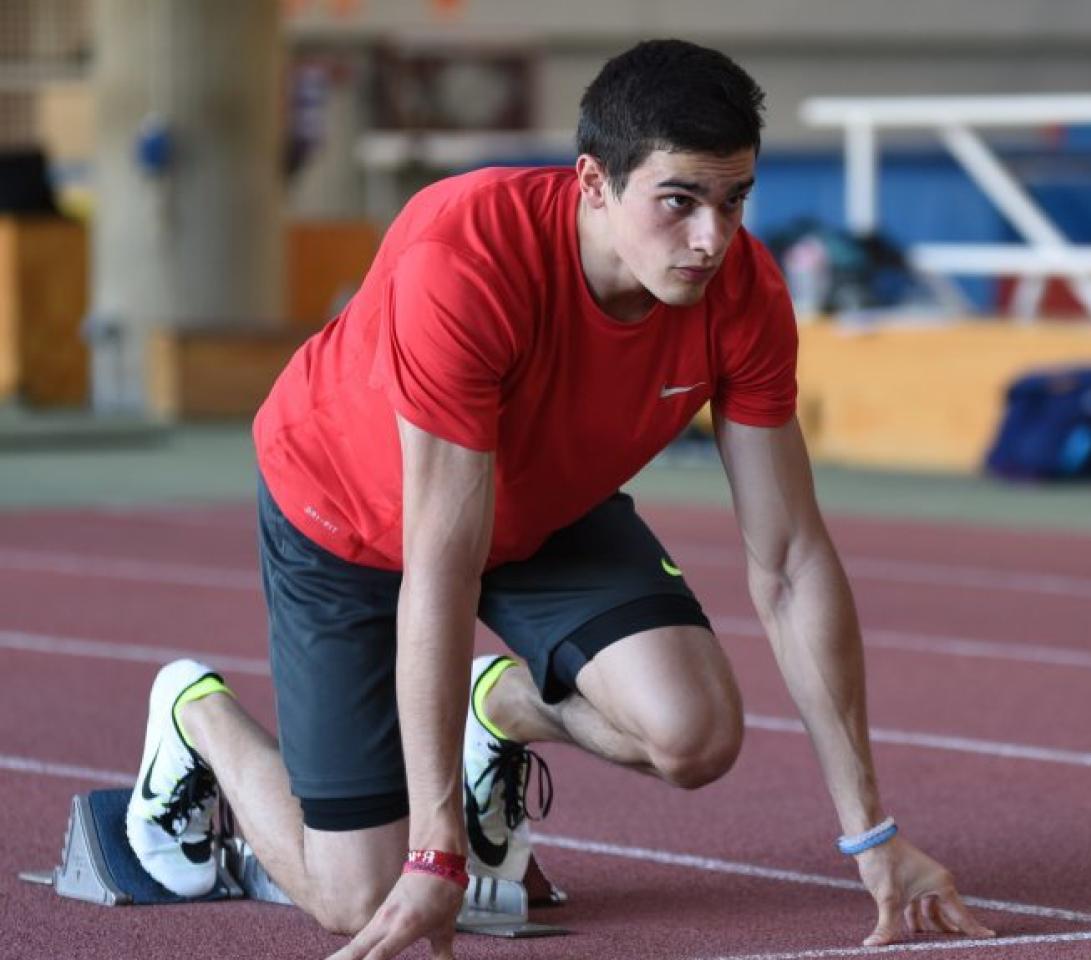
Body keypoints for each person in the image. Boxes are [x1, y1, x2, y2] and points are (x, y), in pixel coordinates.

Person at [122, 38, 995, 960]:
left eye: (735, 200)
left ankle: (493, 709)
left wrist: (871, 836)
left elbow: (789, 561)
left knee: (696, 737)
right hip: (346, 516)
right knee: (360, 897)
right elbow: (442, 562)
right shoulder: (463, 259)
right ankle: (197, 717)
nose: (713, 238)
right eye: (680, 201)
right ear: (593, 181)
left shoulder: (742, 295)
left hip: (541, 506)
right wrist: (436, 850)